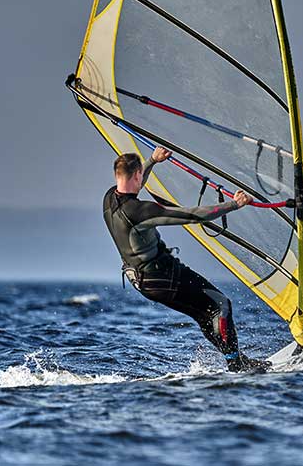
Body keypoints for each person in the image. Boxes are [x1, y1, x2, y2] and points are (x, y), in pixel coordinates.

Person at [103, 147, 271, 372]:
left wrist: (152, 160)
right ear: (137, 175)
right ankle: (236, 364)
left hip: (142, 281)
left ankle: (236, 359)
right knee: (221, 304)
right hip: (162, 276)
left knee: (204, 314)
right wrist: (234, 204)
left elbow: (133, 186)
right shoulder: (143, 211)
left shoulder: (109, 199)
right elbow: (192, 215)